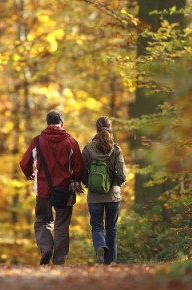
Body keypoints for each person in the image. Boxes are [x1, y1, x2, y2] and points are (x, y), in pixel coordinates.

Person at [19, 110, 84, 265]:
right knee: (62, 224)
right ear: (62, 123)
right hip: (64, 191)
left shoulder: (37, 141)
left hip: (42, 190)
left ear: (47, 123)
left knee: (42, 220)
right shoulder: (71, 142)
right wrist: (74, 180)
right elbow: (79, 168)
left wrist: (30, 175)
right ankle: (59, 261)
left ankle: (46, 247)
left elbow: (24, 163)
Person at [82, 116, 127, 264]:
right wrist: (119, 183)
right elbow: (122, 175)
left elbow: (82, 172)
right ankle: (111, 262)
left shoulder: (88, 149)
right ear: (110, 128)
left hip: (95, 195)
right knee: (112, 228)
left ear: (96, 129)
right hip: (113, 196)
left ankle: (100, 245)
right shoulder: (116, 149)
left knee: (96, 226)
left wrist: (88, 183)